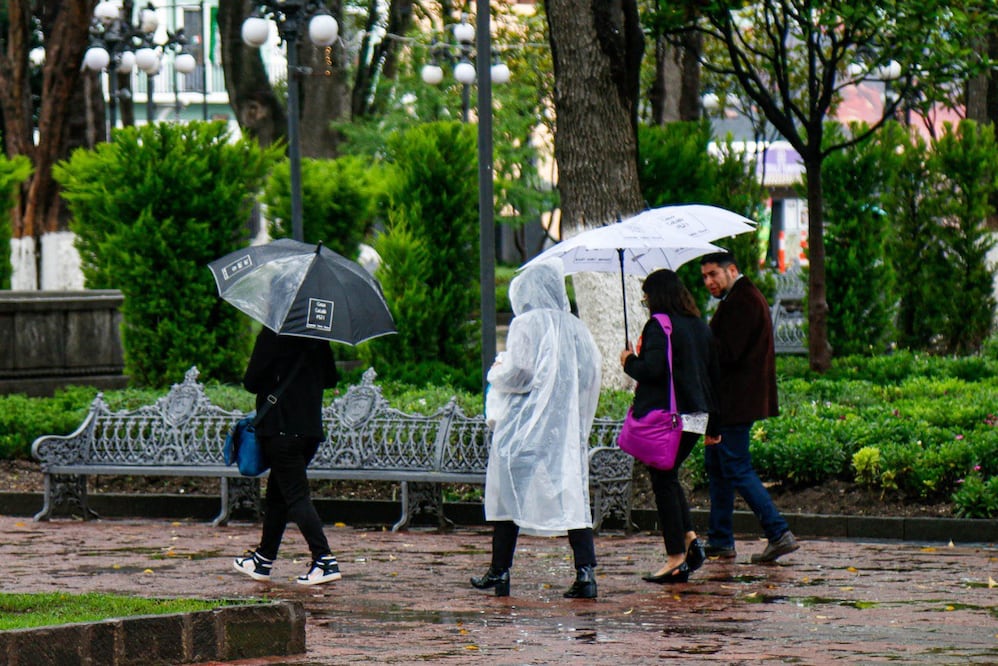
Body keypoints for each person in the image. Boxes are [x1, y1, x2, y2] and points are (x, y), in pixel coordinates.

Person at [471, 260, 603, 598]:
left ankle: (500, 570)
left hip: (524, 427)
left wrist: (496, 370)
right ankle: (585, 573)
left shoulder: (526, 324)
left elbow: (520, 374)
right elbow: (589, 374)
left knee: (507, 492)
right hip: (564, 431)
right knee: (572, 494)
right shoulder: (575, 327)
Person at [619, 269, 720, 584]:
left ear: (656, 296)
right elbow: (712, 376)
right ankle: (689, 541)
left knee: (662, 481)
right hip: (695, 418)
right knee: (668, 476)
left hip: (668, 419)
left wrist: (628, 361)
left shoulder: (659, 326)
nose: (645, 301)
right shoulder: (699, 326)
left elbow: (652, 370)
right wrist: (715, 425)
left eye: (646, 296)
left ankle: (675, 557)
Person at [699, 252, 800, 563]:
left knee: (735, 466)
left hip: (735, 402)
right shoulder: (738, 299)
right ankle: (720, 539)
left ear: (732, 270)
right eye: (704, 277)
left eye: (714, 274)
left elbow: (727, 353)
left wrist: (698, 337)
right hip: (731, 401)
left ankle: (778, 531)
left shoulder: (742, 301)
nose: (709, 282)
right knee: (718, 468)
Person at [232, 327, 342, 585]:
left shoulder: (273, 333)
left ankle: (324, 559)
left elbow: (251, 381)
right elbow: (330, 379)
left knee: (295, 496)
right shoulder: (318, 336)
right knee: (278, 497)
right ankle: (263, 559)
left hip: (280, 430)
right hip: (309, 431)